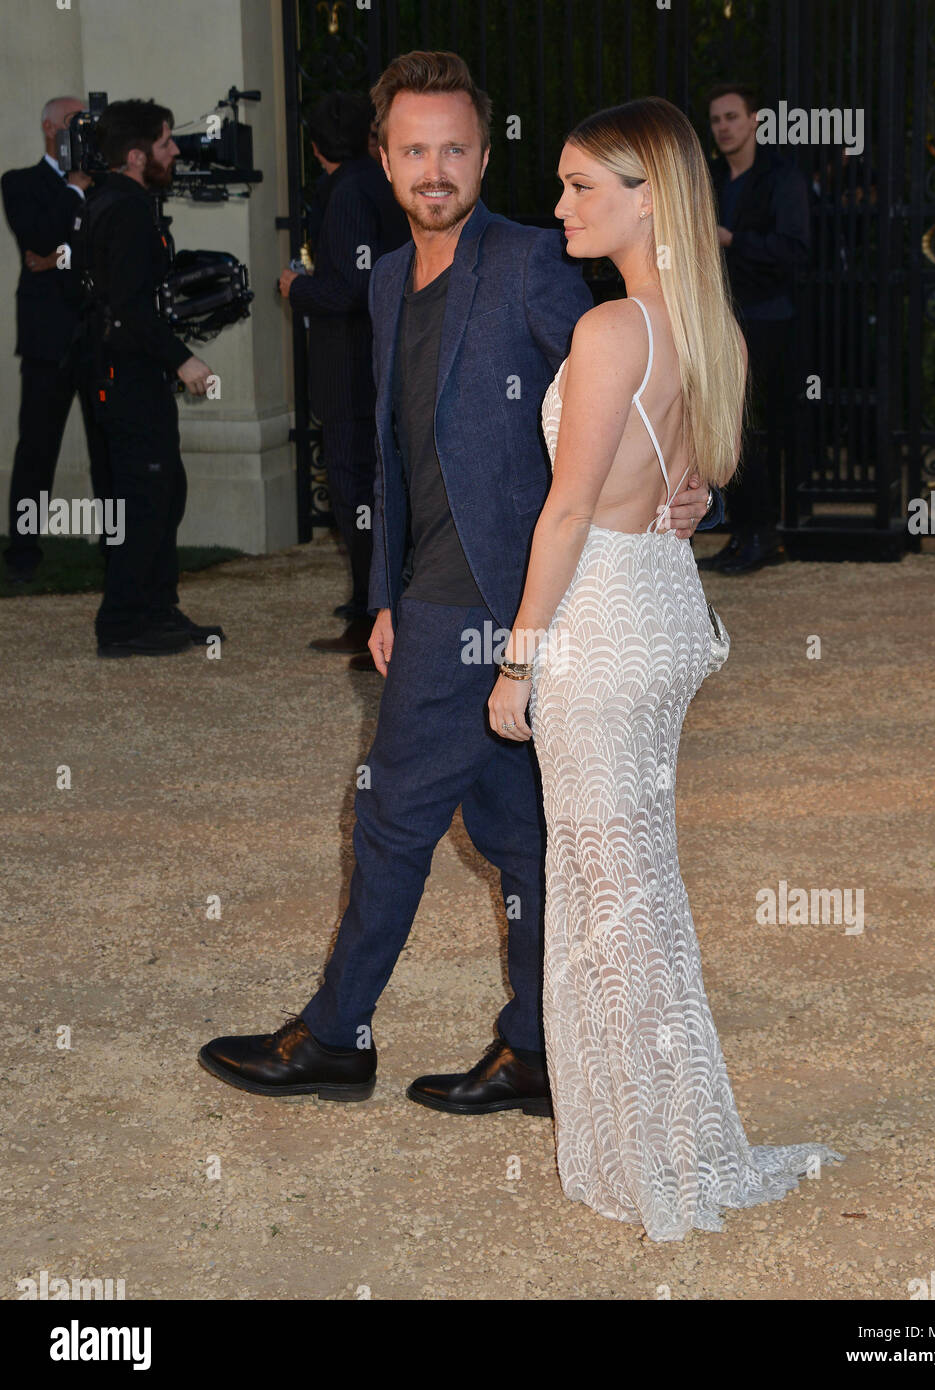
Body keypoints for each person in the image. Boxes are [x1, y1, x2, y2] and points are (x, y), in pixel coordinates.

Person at [198, 51, 723, 1112]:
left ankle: (336, 1037)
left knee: (391, 814)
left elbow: (650, 380)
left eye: (453, 148)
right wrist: (382, 592)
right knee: (517, 832)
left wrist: (695, 482)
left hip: (492, 598)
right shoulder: (389, 278)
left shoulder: (534, 262)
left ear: (484, 154)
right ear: (384, 161)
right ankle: (532, 1048)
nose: (433, 169)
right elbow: (394, 454)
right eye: (412, 150)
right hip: (426, 594)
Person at [488, 97, 844, 1239]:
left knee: (607, 897)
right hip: (660, 613)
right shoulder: (711, 330)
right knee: (629, 892)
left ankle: (655, 1156)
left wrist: (514, 664)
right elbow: (692, 491)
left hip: (596, 626)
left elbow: (567, 512)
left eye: (581, 187)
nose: (558, 208)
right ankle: (653, 1141)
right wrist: (682, 504)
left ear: (647, 195)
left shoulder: (611, 334)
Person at [86, 99, 223, 657]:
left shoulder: (120, 201)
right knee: (146, 494)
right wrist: (183, 359)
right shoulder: (125, 210)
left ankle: (156, 608)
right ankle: (121, 623)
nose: (176, 152)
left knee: (163, 488)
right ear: (138, 155)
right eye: (167, 143)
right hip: (127, 374)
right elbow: (129, 307)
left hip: (124, 371)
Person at [279, 92, 410, 667]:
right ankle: (375, 599)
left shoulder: (350, 191)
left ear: (313, 149)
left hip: (352, 366)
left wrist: (296, 288)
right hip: (373, 360)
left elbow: (355, 287)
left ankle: (370, 615)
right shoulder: (376, 182)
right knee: (371, 486)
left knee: (357, 489)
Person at [699, 82, 810, 576]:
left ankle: (764, 535)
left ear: (755, 120)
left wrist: (731, 239)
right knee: (726, 428)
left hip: (767, 319)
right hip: (723, 317)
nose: (723, 127)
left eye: (731, 117)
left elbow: (793, 251)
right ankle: (743, 533)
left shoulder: (781, 177)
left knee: (747, 428)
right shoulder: (714, 176)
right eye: (717, 120)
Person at [2, 96, 110, 584]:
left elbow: (103, 252)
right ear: (49, 128)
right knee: (37, 449)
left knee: (109, 446)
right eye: (73, 123)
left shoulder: (107, 185)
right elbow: (39, 236)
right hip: (48, 341)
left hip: (101, 335)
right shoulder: (19, 182)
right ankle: (23, 553)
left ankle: (117, 548)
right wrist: (73, 192)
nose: (82, 130)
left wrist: (56, 258)